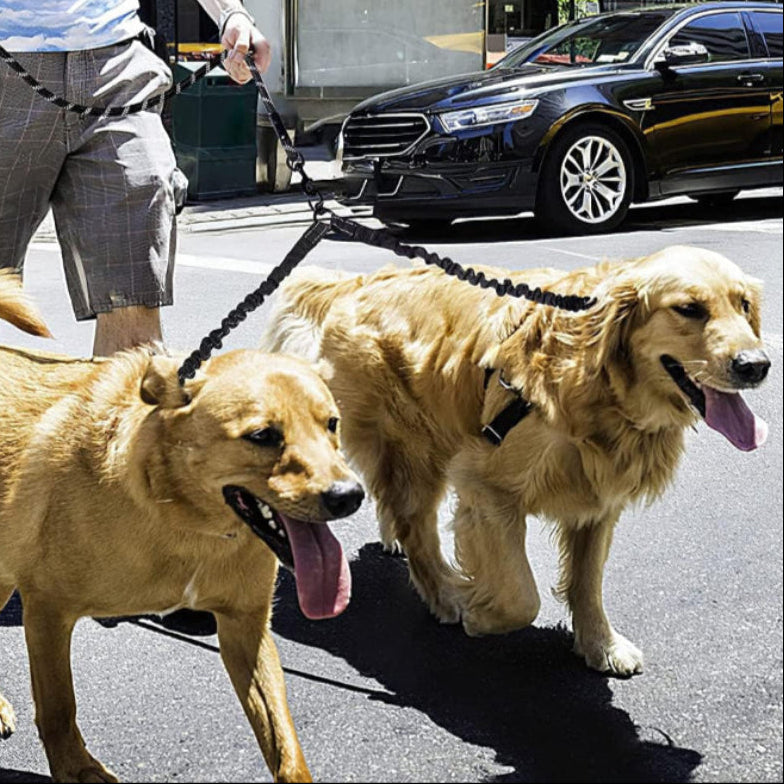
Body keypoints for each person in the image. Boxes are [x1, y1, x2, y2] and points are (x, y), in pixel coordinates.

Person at [0, 0, 271, 356]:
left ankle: (124, 406)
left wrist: (230, 14)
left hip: (117, 58)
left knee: (134, 324)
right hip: (8, 60)